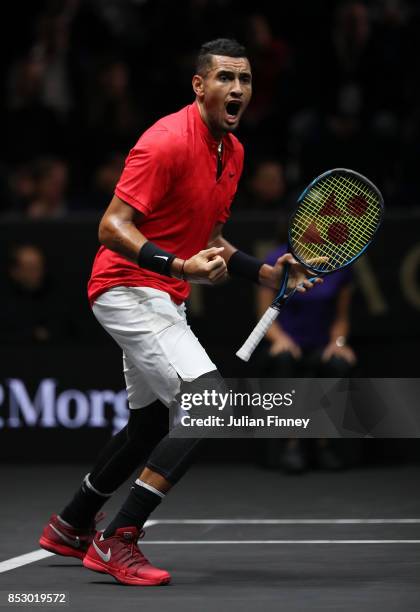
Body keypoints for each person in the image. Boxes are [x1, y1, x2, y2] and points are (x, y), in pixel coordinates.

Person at [39, 38, 321, 587]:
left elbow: (211, 238)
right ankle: (117, 539)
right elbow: (110, 227)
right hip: (125, 285)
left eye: (244, 80)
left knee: (148, 425)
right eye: (224, 78)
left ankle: (71, 524)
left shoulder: (232, 154)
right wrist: (178, 265)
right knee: (208, 403)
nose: (237, 89)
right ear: (200, 85)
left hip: (161, 293)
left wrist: (262, 273)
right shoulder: (164, 142)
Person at [257, 241, 357, 473]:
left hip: (321, 345)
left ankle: (323, 445)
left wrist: (338, 343)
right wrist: (279, 339)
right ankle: (292, 445)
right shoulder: (277, 259)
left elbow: (341, 317)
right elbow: (265, 313)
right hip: (285, 344)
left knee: (339, 363)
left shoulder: (342, 263)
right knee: (284, 361)